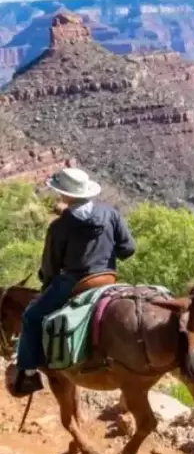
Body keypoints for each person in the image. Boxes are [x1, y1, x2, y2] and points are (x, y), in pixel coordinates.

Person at [10, 167, 135, 397]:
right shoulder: (111, 213)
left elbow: (50, 268)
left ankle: (28, 372)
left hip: (75, 284)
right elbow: (128, 249)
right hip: (108, 279)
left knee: (31, 316)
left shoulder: (59, 227)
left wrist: (47, 284)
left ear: (65, 195)